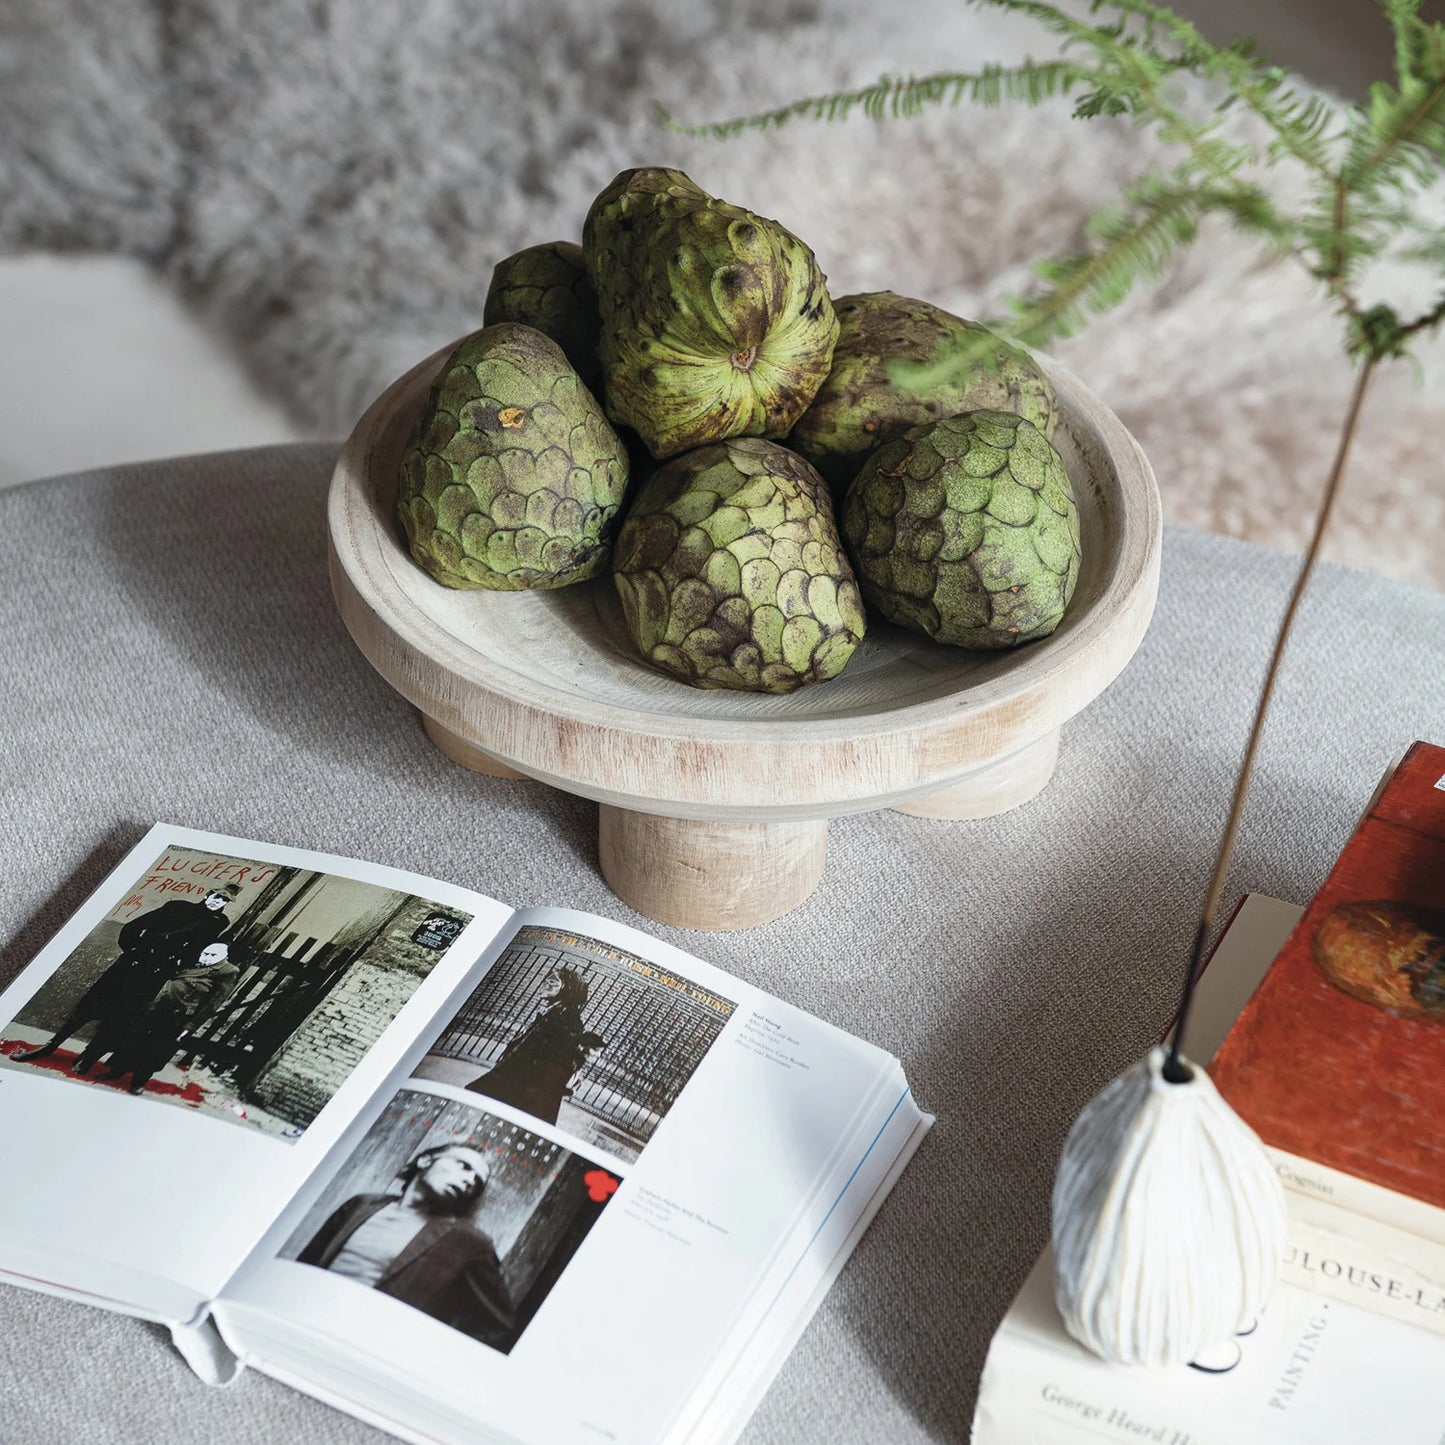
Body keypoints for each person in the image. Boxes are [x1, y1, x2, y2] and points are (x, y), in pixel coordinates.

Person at [297, 1142, 516, 1348]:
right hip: (308, 1321)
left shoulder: (467, 1242)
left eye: (477, 1182)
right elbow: (306, 1265)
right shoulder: (362, 1204)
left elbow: (498, 1326)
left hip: (368, 1345)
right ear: (425, 1161)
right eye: (463, 1166)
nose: (469, 1181)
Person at [17, 883, 241, 1066]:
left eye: (223, 900)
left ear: (226, 904)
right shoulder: (176, 907)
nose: (216, 901)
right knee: (89, 1006)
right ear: (206, 893)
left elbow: (196, 945)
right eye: (214, 896)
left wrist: (175, 965)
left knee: (122, 1016)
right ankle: (50, 1046)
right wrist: (132, 949)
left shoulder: (217, 922)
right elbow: (135, 925)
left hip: (157, 973)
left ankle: (87, 1058)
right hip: (132, 965)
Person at [93, 941, 242, 1094]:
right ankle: (116, 1071)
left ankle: (139, 1082)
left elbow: (213, 1003)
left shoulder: (228, 971)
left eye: (212, 955)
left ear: (223, 956)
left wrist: (190, 1026)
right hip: (156, 1009)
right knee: (132, 1042)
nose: (207, 957)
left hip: (177, 1017)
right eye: (205, 954)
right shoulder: (193, 962)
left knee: (154, 1050)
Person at [466, 964, 606, 1125]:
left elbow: (548, 1062)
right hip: (524, 1087)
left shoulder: (564, 1019)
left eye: (553, 982)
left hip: (526, 1089)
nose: (546, 984)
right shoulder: (557, 1013)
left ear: (566, 990)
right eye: (546, 980)